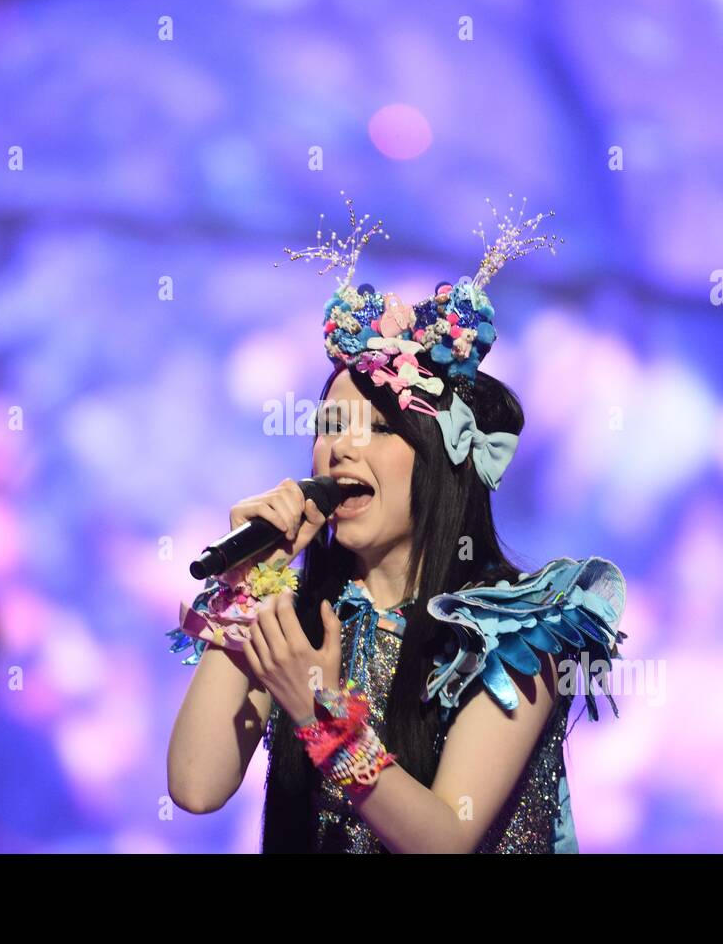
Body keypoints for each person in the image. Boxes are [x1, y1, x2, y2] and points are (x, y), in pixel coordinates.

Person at [166, 195, 627, 853]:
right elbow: (194, 784)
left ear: (440, 459)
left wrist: (319, 712)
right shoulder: (302, 618)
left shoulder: (514, 629)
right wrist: (250, 580)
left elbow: (445, 837)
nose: (340, 449)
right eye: (329, 427)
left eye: (377, 427)